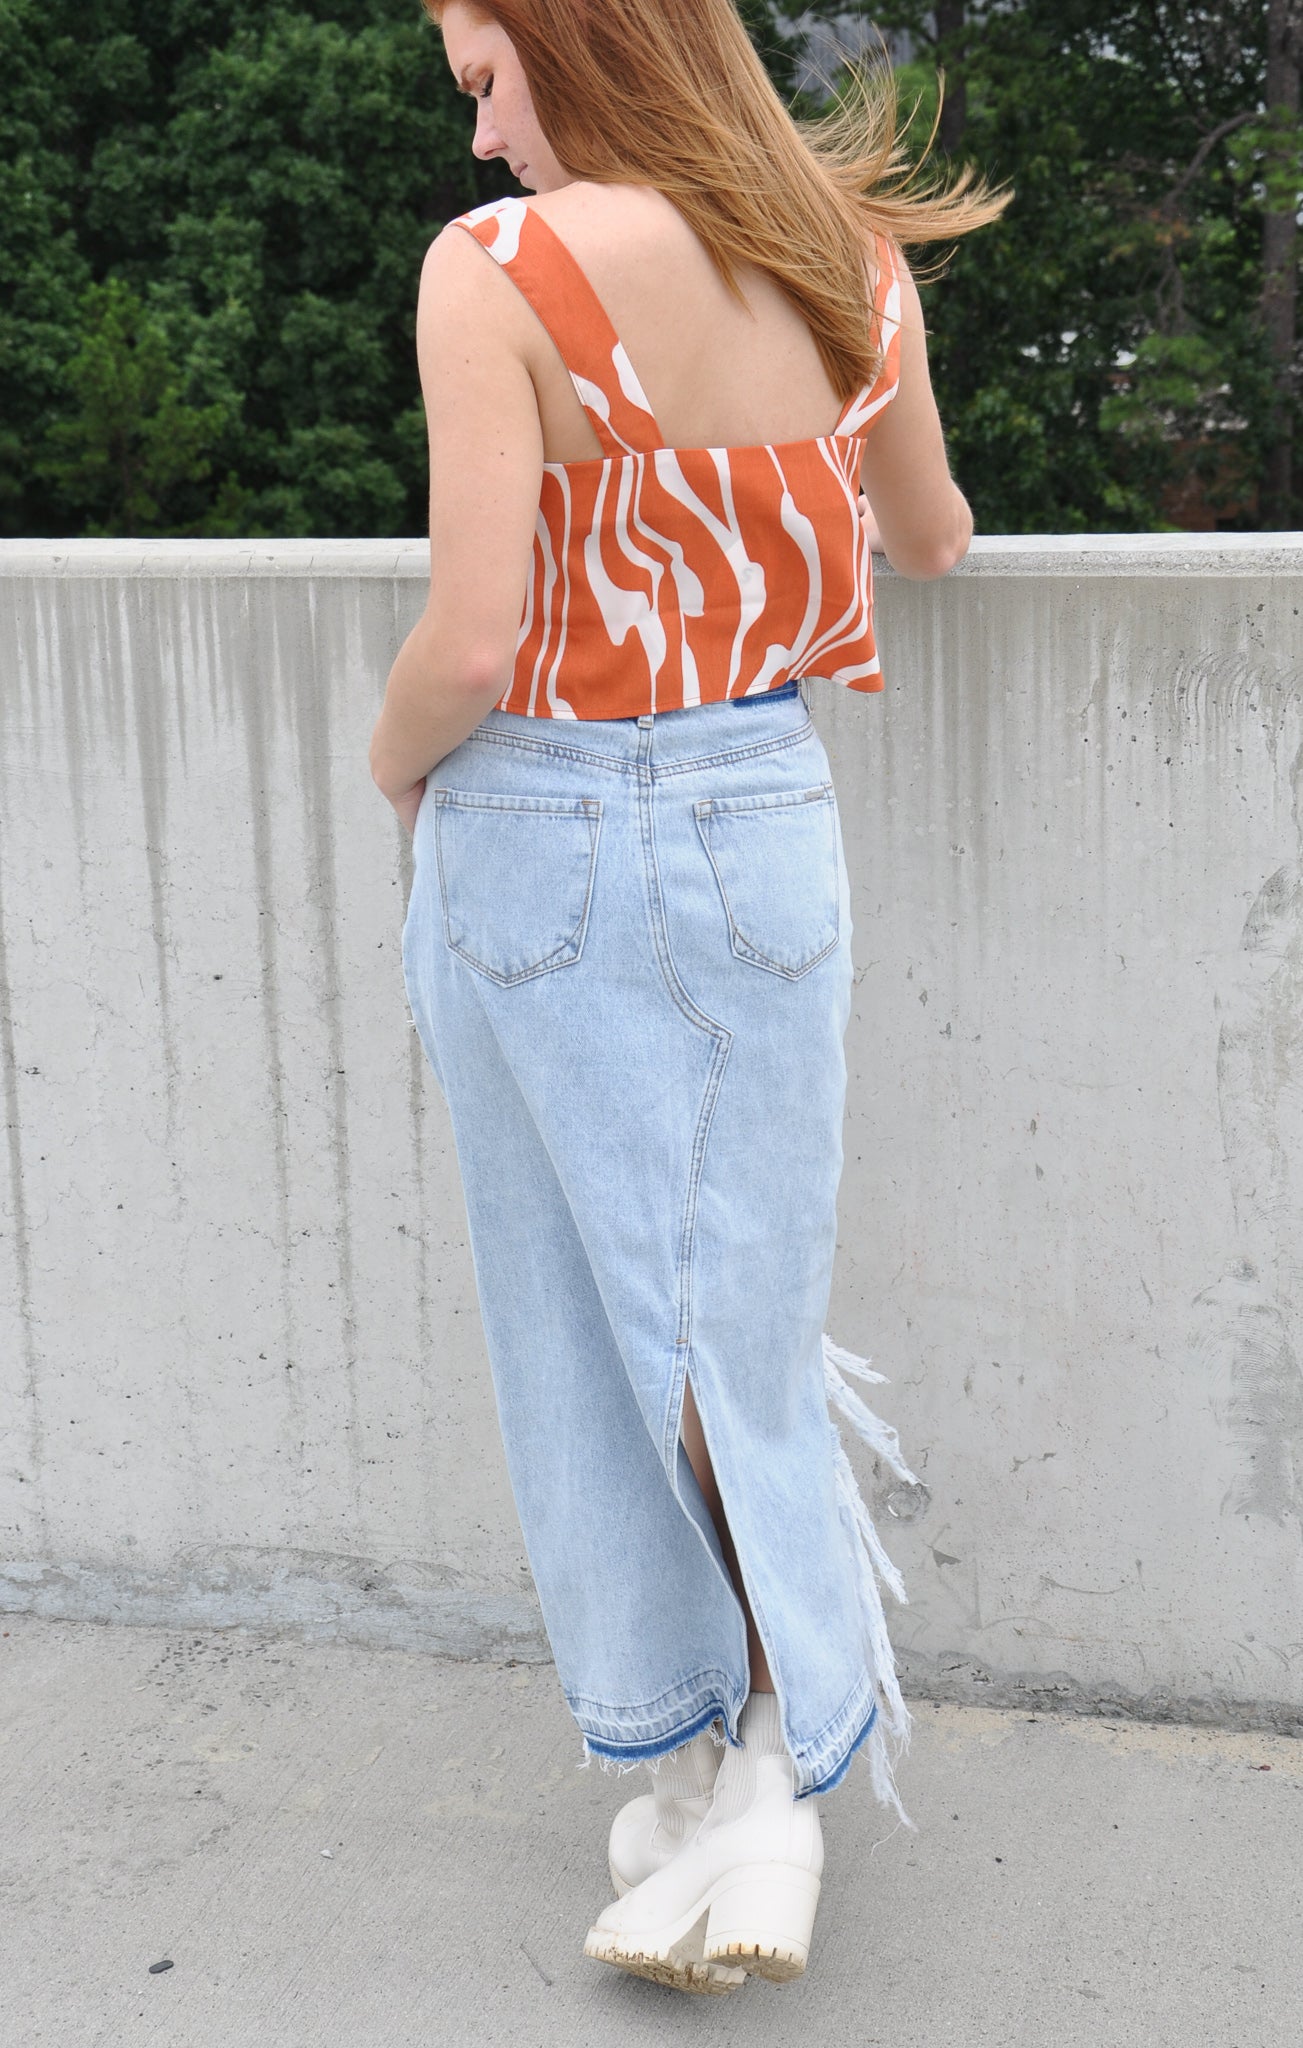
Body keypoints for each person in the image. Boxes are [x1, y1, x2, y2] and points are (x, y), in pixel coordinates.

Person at [370, 0, 1007, 1997]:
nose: (480, 138)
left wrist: (398, 770)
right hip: (763, 810)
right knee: (729, 1322)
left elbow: (472, 636)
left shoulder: (504, 277)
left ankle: (746, 1779)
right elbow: (934, 535)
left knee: (587, 1331)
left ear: (578, 41)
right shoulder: (853, 261)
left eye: (485, 76)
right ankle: (744, 1772)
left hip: (543, 819)